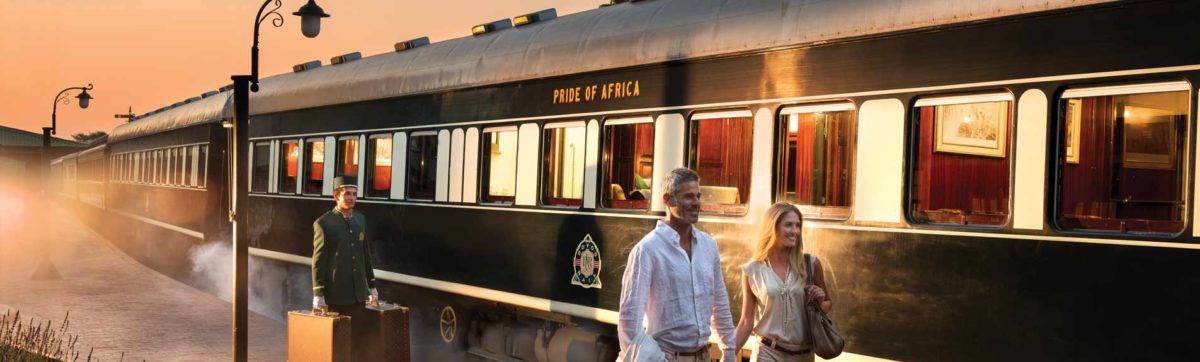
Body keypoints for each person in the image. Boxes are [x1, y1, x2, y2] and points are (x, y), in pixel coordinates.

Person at [618, 167, 737, 362]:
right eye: (689, 196)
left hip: (703, 356)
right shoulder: (648, 250)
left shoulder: (709, 245)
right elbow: (629, 320)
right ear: (668, 200)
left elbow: (720, 303)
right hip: (666, 357)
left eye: (698, 196)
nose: (697, 203)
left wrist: (729, 351)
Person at [733, 202, 832, 362]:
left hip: (804, 355)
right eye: (788, 225)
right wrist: (728, 353)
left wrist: (819, 303)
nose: (795, 231)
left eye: (797, 225)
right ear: (773, 227)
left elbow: (827, 304)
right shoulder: (753, 270)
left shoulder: (811, 264)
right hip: (767, 354)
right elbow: (746, 322)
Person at [312, 176, 380, 356]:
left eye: (354, 194)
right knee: (338, 345)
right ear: (336, 196)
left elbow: (365, 255)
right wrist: (318, 293)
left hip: (359, 295)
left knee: (359, 342)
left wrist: (371, 286)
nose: (351, 198)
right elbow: (319, 260)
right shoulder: (323, 223)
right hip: (337, 295)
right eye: (347, 194)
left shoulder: (360, 220)